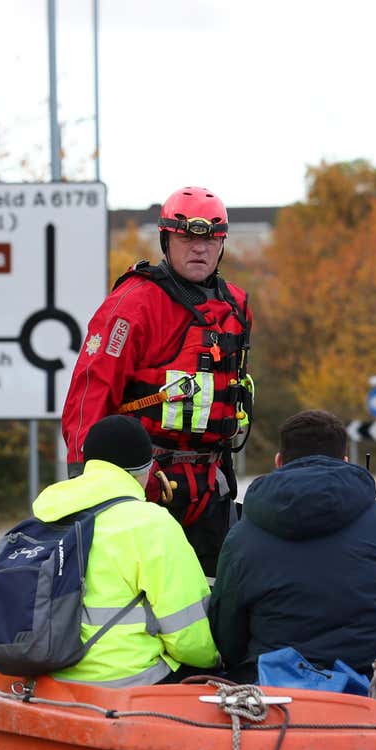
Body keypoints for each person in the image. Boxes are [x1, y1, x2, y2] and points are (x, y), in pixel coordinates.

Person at [61, 186, 253, 577]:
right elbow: (90, 390)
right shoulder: (134, 302)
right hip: (146, 484)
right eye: (187, 238)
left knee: (223, 594)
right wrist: (84, 481)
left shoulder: (235, 305)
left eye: (210, 239)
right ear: (167, 240)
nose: (199, 248)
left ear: (222, 245)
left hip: (210, 482)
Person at [209, 410, 376, 682]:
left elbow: (226, 638)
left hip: (277, 699)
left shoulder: (242, 537)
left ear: (279, 462)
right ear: (345, 461)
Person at [35, 414, 219, 687]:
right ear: (146, 469)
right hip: (128, 679)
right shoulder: (153, 523)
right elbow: (189, 640)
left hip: (48, 675)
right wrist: (218, 659)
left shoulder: (45, 514)